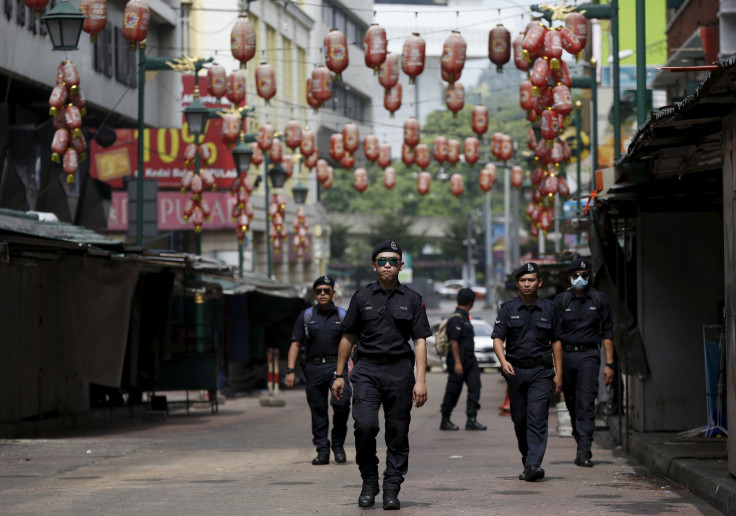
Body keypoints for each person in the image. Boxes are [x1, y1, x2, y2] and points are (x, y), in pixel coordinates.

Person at [332, 240, 431, 510]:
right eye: (382, 260)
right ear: (374, 265)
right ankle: (369, 480)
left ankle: (391, 487)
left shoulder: (412, 299)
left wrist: (420, 380)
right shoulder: (361, 297)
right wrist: (339, 374)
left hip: (400, 370)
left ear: (401, 265)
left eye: (393, 260)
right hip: (367, 371)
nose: (387, 265)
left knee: (398, 431)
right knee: (364, 426)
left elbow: (420, 340)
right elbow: (347, 337)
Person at [491, 262, 562, 482]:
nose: (527, 284)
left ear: (539, 283)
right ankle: (527, 460)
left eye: (531, 280)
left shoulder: (550, 309)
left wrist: (558, 372)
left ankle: (533, 464)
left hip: (542, 371)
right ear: (517, 283)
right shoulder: (508, 308)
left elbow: (557, 341)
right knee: (519, 419)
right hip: (515, 372)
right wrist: (502, 361)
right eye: (523, 280)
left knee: (537, 416)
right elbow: (497, 338)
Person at [553, 257, 615, 468]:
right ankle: (580, 440)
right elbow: (555, 338)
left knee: (586, 403)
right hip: (567, 357)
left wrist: (610, 364)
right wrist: (557, 370)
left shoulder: (599, 300)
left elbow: (607, 333)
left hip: (589, 356)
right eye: (576, 275)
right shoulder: (561, 301)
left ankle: (584, 450)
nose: (580, 279)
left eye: (584, 275)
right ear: (569, 277)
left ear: (590, 276)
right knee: (571, 403)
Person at [285, 275, 351, 466]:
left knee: (341, 404)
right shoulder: (306, 316)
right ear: (315, 294)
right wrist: (290, 370)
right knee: (318, 410)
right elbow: (295, 343)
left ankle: (338, 446)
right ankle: (322, 450)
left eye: (326, 291)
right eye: (319, 291)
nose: (322, 294)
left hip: (337, 368)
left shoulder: (343, 316)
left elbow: (351, 343)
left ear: (333, 293)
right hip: (313, 369)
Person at [439, 287, 487, 431]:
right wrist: (458, 363)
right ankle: (445, 419)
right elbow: (454, 341)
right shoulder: (456, 318)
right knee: (453, 390)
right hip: (458, 359)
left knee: (475, 387)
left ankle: (471, 419)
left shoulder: (465, 316)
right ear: (471, 302)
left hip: (470, 359)